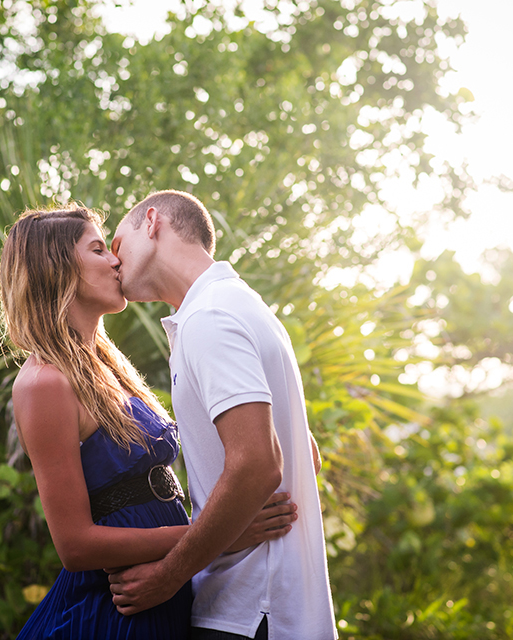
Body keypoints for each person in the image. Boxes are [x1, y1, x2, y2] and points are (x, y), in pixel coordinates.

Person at [0, 206, 298, 640]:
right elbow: (75, 545)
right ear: (55, 266)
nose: (116, 261)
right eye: (99, 249)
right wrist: (214, 536)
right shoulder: (43, 383)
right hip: (114, 607)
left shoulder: (107, 365)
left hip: (169, 591)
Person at [108, 191, 338, 640]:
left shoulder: (209, 316)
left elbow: (258, 464)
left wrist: (168, 574)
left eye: (116, 245)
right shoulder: (240, 305)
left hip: (251, 611)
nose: (114, 264)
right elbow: (303, 453)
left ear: (152, 222)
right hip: (277, 607)